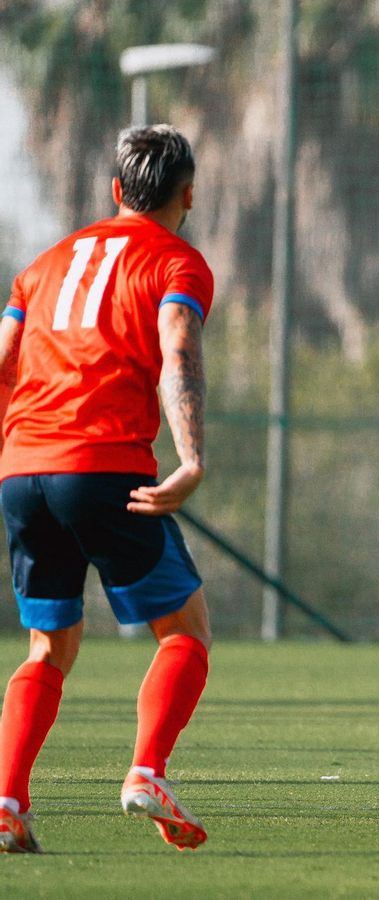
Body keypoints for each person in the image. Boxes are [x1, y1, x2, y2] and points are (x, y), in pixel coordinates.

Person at [0, 125, 214, 853]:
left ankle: (7, 800)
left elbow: (4, 360)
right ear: (187, 194)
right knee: (184, 630)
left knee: (47, 646)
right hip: (104, 468)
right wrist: (190, 457)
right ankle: (146, 771)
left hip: (23, 468)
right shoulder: (178, 262)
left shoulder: (41, 266)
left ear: (117, 192)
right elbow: (177, 345)